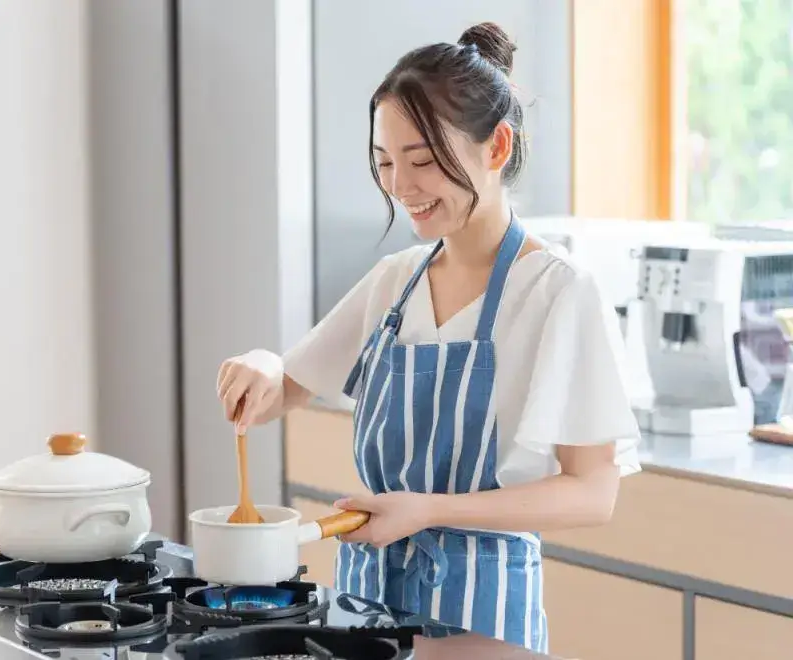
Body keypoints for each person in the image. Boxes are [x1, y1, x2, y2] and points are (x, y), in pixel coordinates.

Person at [215, 22, 640, 654]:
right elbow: (285, 389)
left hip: (483, 624)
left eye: (421, 160)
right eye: (385, 163)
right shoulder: (396, 283)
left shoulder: (557, 292)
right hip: (370, 606)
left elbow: (592, 493)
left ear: (496, 147)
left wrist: (430, 510)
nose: (400, 186)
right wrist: (259, 364)